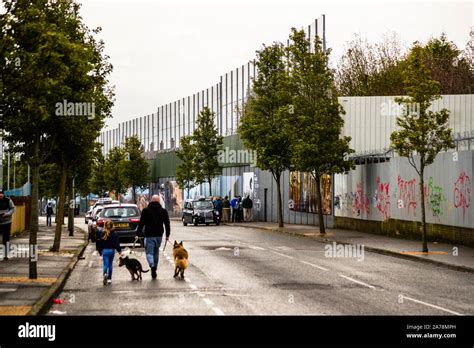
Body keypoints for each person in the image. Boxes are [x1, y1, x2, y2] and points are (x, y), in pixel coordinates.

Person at [136, 195, 170, 279]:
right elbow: (167, 224)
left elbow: (141, 224)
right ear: (158, 202)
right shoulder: (163, 211)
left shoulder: (145, 211)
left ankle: (152, 266)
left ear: (151, 201)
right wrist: (167, 235)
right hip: (159, 235)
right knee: (156, 252)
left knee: (149, 253)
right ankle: (155, 268)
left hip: (149, 235)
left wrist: (138, 234)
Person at [96, 220, 122, 285]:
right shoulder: (115, 234)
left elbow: (99, 243)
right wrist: (119, 251)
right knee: (110, 265)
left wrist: (99, 251)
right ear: (112, 226)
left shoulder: (102, 233)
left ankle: (105, 274)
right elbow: (117, 244)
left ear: (105, 225)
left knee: (105, 264)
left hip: (104, 251)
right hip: (111, 251)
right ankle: (109, 279)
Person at [0, 190, 15, 260]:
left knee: (6, 238)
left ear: (3, 194)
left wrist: (6, 214)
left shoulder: (8, 200)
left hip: (6, 222)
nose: (0, 195)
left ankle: (5, 254)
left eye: (1, 194)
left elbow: (13, 209)